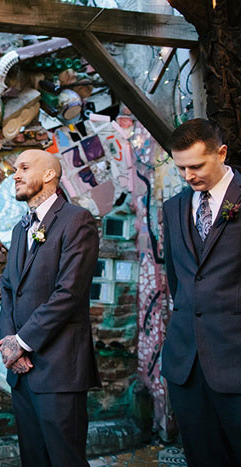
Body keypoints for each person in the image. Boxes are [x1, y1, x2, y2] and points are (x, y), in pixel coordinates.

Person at [0, 149, 100, 467]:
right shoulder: (19, 229)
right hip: (21, 372)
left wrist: (22, 342)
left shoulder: (76, 221)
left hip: (59, 368)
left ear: (49, 175)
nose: (15, 174)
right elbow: (8, 289)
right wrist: (9, 345)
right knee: (33, 459)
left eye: (24, 168)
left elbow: (68, 293)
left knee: (65, 459)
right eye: (15, 169)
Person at [162, 118, 241, 466]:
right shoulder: (174, 208)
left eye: (196, 166)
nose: (188, 176)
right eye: (180, 168)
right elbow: (176, 280)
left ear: (221, 153)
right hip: (186, 365)